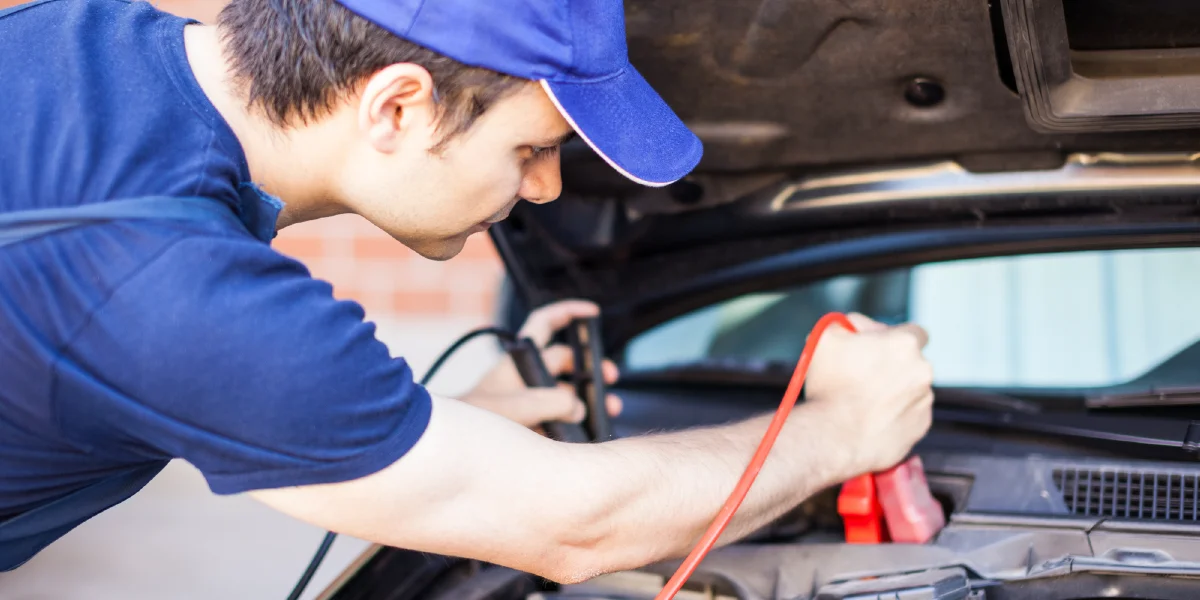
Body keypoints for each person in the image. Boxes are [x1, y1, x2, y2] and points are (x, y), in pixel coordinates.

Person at [0, 0, 935, 584]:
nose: (545, 190)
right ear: (397, 105)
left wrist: (426, 427)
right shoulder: (165, 277)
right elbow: (575, 528)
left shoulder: (66, 37)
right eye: (531, 148)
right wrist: (845, 430)